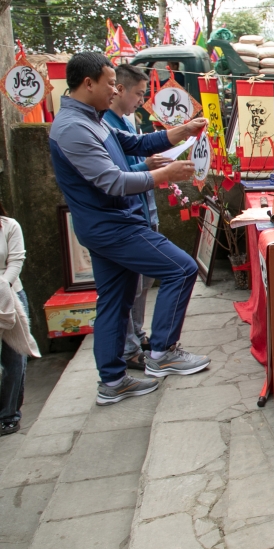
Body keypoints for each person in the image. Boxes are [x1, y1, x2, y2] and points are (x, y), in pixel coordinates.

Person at [50, 52, 211, 406]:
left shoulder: (93, 119)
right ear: (88, 83)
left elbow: (134, 145)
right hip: (113, 224)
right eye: (110, 84)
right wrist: (163, 176)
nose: (114, 90)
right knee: (182, 268)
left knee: (114, 302)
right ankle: (163, 352)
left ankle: (112, 381)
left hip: (108, 223)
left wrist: (180, 131)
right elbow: (111, 181)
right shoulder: (73, 128)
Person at [103, 64, 170, 371]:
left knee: (142, 284)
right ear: (118, 89)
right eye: (139, 94)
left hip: (142, 207)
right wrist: (149, 168)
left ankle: (138, 336)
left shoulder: (125, 123)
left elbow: (139, 151)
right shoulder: (101, 124)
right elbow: (114, 177)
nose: (141, 101)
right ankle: (130, 350)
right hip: (124, 215)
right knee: (129, 288)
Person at [0, 203, 27, 435]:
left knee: (14, 358)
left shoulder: (9, 226)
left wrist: (2, 287)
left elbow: (16, 261)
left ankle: (9, 414)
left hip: (10, 296)